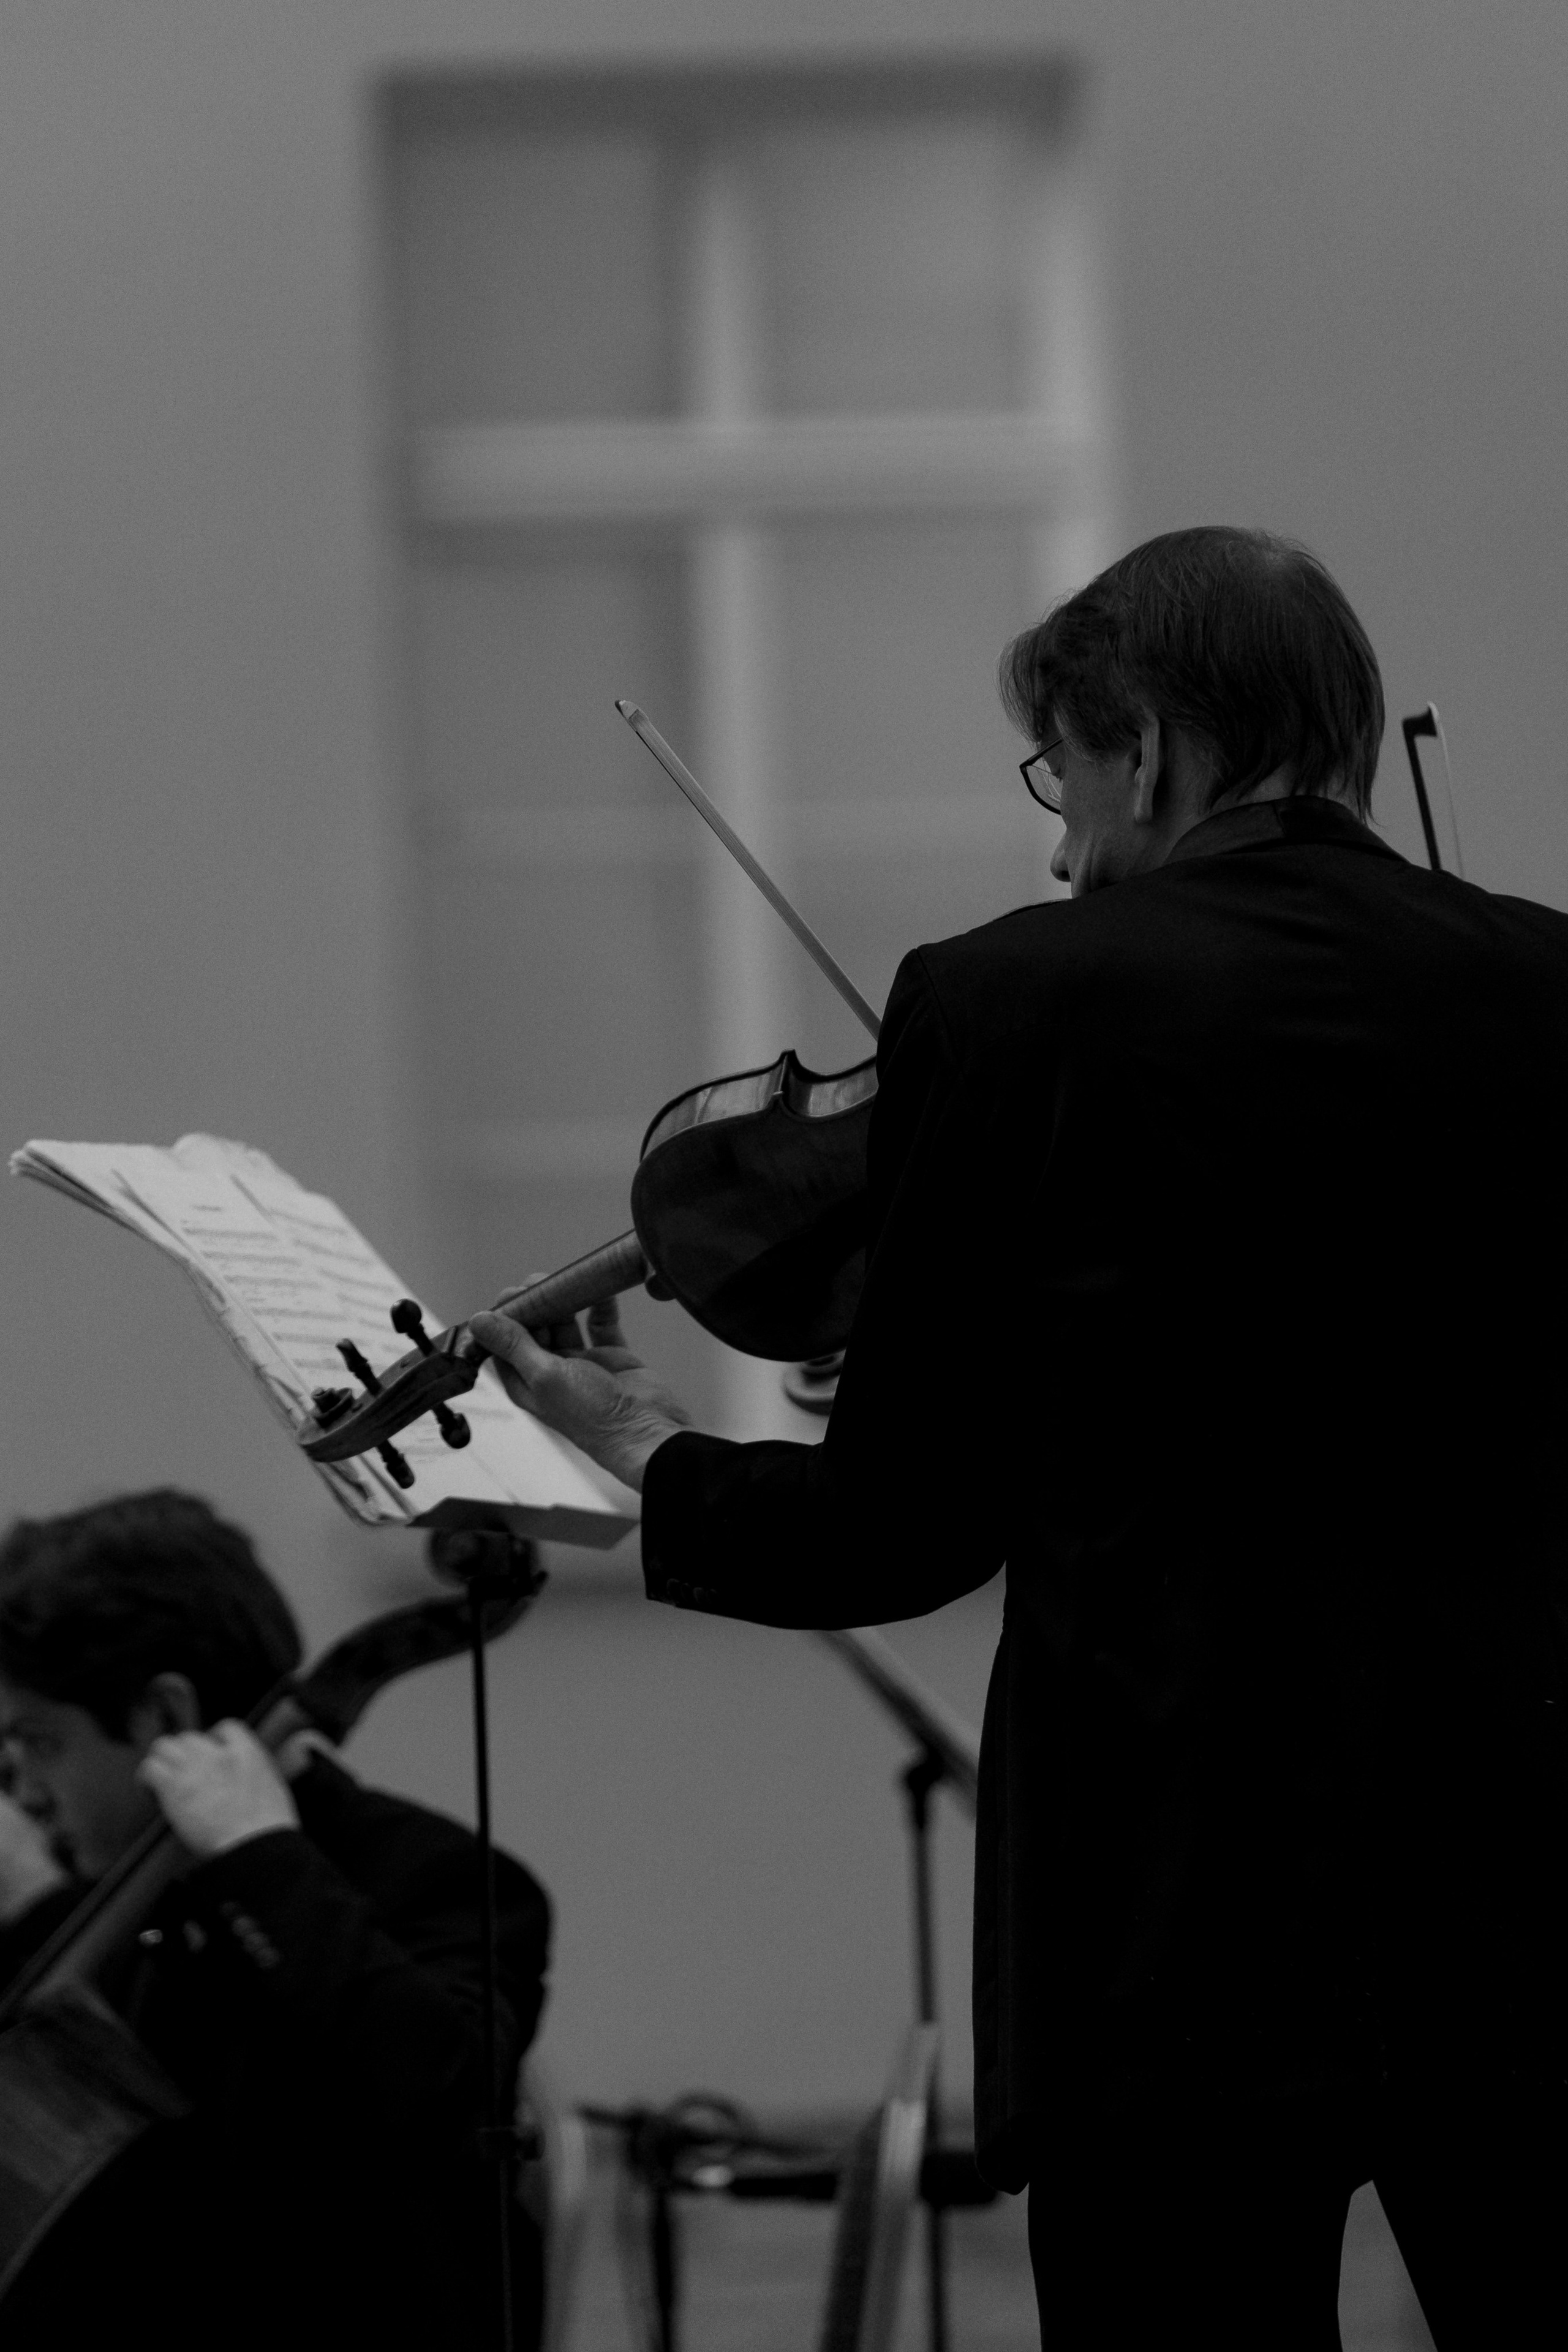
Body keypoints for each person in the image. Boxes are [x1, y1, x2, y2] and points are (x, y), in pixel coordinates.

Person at [470, 527, 1568, 2348]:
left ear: (1143, 739)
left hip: (1181, 1925)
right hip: (1527, 1915)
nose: (1063, 849)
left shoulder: (1019, 996)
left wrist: (647, 1454)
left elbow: (900, 1533)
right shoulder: (1545, 984)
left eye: (1066, 777)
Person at [0, 1488, 551, 2348]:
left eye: (39, 1742)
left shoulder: (435, 1876)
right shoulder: (82, 1925)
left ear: (166, 1716)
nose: (25, 1793)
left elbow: (445, 2097)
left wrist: (260, 1857)